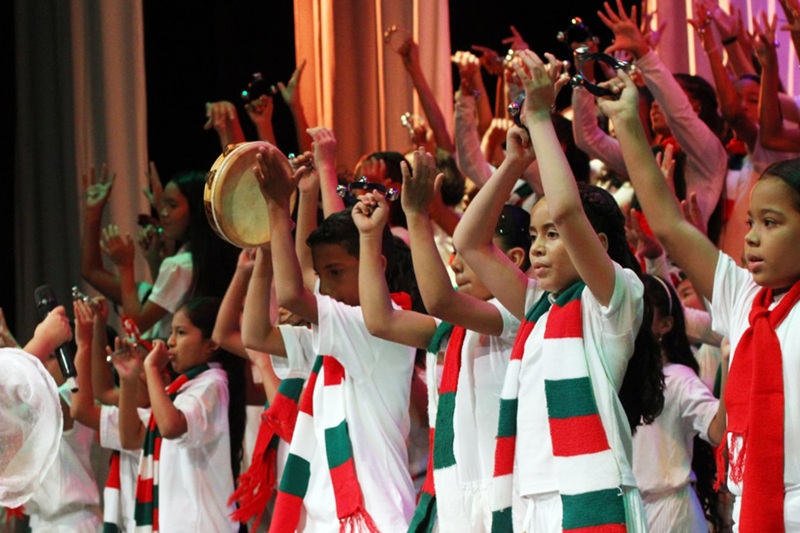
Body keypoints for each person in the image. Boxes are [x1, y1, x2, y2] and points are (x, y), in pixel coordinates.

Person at [452, 50, 664, 532]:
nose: (540, 248)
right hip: (533, 502)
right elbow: (469, 242)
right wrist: (511, 164)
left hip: (592, 500)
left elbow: (568, 211)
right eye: (534, 236)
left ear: (600, 245)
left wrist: (542, 116)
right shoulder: (538, 309)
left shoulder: (615, 298)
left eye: (552, 236)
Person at [599, 60, 800, 530]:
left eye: (771, 224)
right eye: (750, 223)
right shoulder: (744, 297)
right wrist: (628, 124)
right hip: (750, 508)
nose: (751, 238)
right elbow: (669, 225)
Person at [353, 147, 530, 532]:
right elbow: (380, 320)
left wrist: (417, 214)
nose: (456, 263)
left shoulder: (519, 315)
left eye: (476, 251)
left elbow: (440, 299)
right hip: (453, 499)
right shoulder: (452, 331)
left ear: (514, 260)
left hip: (508, 498)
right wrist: (369, 238)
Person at [252, 146, 417, 531]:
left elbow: (294, 292)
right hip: (331, 520)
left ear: (377, 267)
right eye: (324, 277)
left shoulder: (376, 327)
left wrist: (279, 209)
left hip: (373, 518)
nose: (325, 287)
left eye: (337, 273)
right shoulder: (340, 333)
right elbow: (305, 279)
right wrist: (306, 196)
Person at [113, 297, 245, 533]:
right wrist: (128, 380)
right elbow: (131, 438)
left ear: (212, 343)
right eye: (171, 332)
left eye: (181, 332)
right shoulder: (181, 390)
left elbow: (171, 427)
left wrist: (151, 369)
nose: (170, 342)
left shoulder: (212, 384)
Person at [82, 165, 238, 340]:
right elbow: (91, 272)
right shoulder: (208, 262)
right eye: (162, 205)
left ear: (197, 210)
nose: (163, 213)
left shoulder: (180, 266)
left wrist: (125, 266)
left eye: (172, 205)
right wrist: (154, 260)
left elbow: (136, 325)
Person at [632, 275, 727, 532]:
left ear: (665, 325)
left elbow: (718, 431)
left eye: (643, 310)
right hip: (633, 512)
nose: (632, 318)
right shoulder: (622, 378)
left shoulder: (678, 378)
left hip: (672, 515)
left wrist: (728, 364)